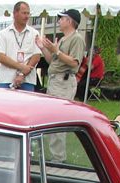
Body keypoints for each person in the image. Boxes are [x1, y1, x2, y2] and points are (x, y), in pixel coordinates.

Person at [37, 9, 85, 160]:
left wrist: (56, 51)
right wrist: (43, 48)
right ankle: (55, 156)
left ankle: (58, 158)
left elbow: (74, 63)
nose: (59, 21)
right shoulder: (65, 39)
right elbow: (53, 61)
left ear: (70, 21)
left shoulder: (76, 39)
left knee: (58, 120)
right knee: (51, 119)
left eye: (62, 18)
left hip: (63, 83)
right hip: (55, 80)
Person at [0, 1, 42, 90]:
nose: (27, 16)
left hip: (27, 80)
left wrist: (22, 74)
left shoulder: (34, 33)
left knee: (27, 104)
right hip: (6, 79)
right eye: (24, 13)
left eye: (28, 13)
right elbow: (0, 57)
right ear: (15, 13)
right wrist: (21, 67)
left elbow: (36, 56)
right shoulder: (3, 34)